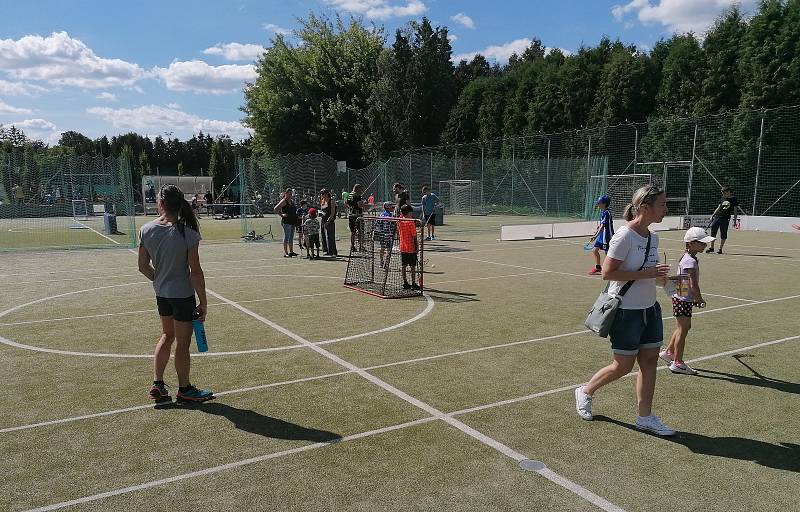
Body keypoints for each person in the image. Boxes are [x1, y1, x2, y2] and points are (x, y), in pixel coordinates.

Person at [574, 185, 675, 436]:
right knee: (623, 366)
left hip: (649, 309)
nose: (666, 208)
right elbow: (607, 273)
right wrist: (647, 274)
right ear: (645, 207)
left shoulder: (653, 237)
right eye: (662, 204)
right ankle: (585, 391)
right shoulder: (624, 236)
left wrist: (666, 281)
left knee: (650, 362)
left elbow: (649, 276)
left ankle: (645, 417)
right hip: (625, 311)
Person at [137, 184, 214, 403]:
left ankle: (158, 383)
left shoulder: (146, 229)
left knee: (167, 335)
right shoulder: (187, 232)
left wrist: (159, 279)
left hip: (162, 295)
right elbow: (195, 271)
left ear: (160, 203)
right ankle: (185, 389)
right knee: (182, 343)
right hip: (182, 296)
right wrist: (204, 302)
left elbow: (142, 266)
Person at [659, 227, 713, 375]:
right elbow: (693, 284)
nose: (705, 245)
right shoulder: (690, 261)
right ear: (690, 243)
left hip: (681, 297)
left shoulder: (687, 257)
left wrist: (690, 298)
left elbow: (683, 281)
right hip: (682, 299)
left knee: (682, 327)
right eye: (701, 243)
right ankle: (677, 362)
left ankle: (669, 352)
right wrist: (699, 299)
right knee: (683, 329)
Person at [705, 186, 739, 254]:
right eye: (722, 193)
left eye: (724, 192)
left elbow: (735, 211)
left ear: (729, 192)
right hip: (717, 217)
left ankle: (720, 249)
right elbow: (718, 207)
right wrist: (713, 215)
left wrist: (735, 221)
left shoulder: (734, 199)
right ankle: (712, 248)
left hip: (725, 219)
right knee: (713, 233)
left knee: (723, 235)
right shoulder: (722, 198)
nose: (723, 194)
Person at [588, 195, 614, 275]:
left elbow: (603, 226)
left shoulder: (607, 213)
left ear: (604, 204)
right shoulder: (602, 212)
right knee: (595, 250)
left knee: (608, 254)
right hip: (601, 236)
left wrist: (595, 236)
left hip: (607, 236)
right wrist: (596, 233)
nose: (597, 204)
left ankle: (610, 269)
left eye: (599, 203)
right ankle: (598, 267)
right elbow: (600, 226)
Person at [398, 204, 420, 290]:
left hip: (403, 247)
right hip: (410, 248)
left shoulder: (399, 220)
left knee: (404, 265)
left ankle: (405, 282)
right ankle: (413, 283)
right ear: (409, 213)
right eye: (411, 212)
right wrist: (416, 247)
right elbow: (414, 236)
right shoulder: (411, 222)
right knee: (412, 266)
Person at [275, 188, 298, 258]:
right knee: (286, 237)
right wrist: (282, 215)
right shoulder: (284, 201)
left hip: (292, 221)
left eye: (291, 194)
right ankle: (286, 253)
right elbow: (276, 208)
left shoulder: (292, 201)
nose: (290, 195)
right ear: (286, 193)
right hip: (286, 222)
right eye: (289, 193)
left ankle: (291, 252)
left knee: (291, 237)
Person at [320, 188, 338, 257]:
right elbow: (322, 210)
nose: (322, 195)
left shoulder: (331, 201)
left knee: (330, 237)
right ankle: (326, 250)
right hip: (323, 220)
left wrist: (328, 221)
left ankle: (333, 252)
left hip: (330, 221)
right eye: (321, 193)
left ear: (327, 193)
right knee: (323, 236)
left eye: (323, 193)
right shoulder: (322, 201)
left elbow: (332, 213)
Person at [347, 184, 365, 252]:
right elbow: (360, 205)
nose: (361, 191)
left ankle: (352, 246)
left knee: (352, 232)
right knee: (360, 231)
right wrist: (364, 203)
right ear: (357, 189)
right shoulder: (357, 196)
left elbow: (347, 204)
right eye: (360, 190)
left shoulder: (349, 195)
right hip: (357, 216)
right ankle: (361, 246)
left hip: (351, 215)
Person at [377, 201, 394, 266]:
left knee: (382, 248)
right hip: (387, 234)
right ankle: (386, 263)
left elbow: (377, 223)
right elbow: (390, 225)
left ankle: (381, 262)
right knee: (389, 249)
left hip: (381, 234)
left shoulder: (381, 214)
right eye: (391, 206)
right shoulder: (390, 215)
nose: (392, 207)